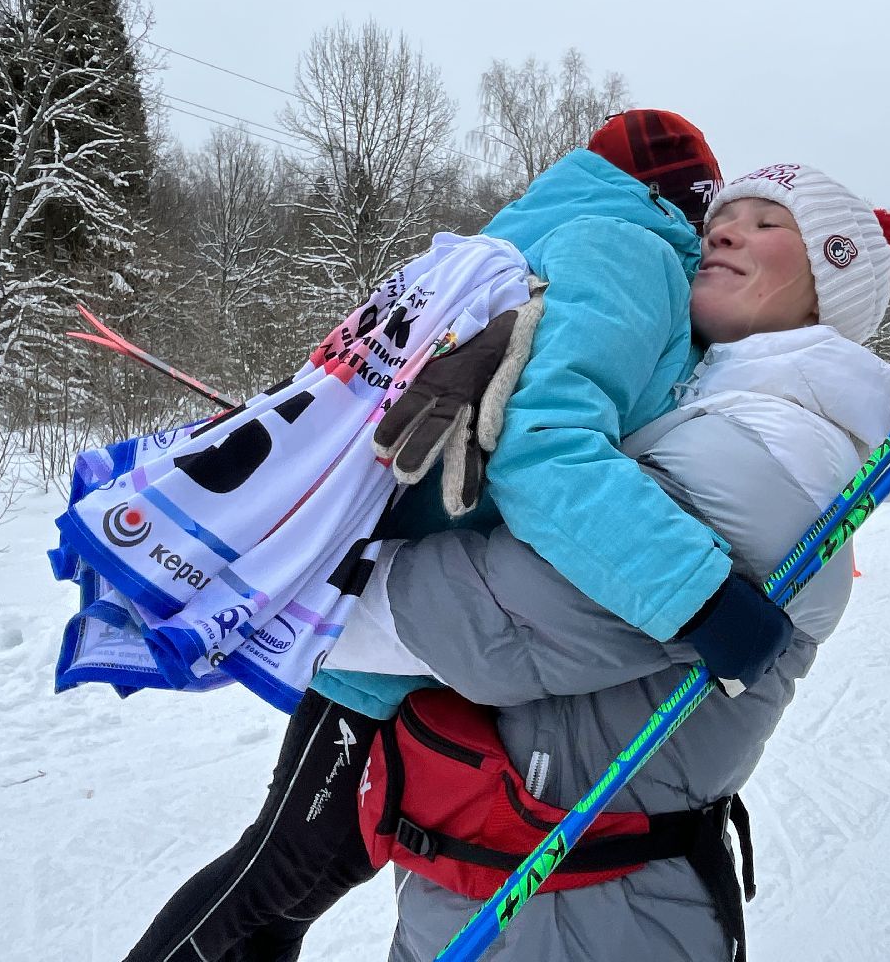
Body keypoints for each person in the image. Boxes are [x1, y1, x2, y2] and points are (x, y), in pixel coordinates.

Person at [122, 111, 759, 962]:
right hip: (393, 634)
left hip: (423, 618)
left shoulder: (530, 242)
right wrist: (693, 592)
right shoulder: (630, 250)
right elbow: (547, 447)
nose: (720, 242)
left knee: (306, 880)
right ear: (683, 200)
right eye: (717, 219)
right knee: (278, 874)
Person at [343, 164, 890, 960]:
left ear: (828, 285)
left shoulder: (778, 446)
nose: (724, 230)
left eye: (765, 224)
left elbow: (506, 625)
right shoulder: (697, 404)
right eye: (726, 216)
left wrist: (303, 582)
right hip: (526, 897)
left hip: (592, 916)